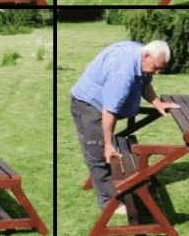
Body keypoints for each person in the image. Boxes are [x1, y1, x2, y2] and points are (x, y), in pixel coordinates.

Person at [70, 40, 181, 213]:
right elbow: (109, 111)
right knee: (99, 153)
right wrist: (108, 144)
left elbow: (145, 84)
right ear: (146, 55)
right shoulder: (123, 71)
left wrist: (157, 103)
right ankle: (107, 201)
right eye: (156, 67)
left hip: (102, 106)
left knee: (103, 145)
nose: (158, 72)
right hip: (89, 106)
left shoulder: (141, 57)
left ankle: (106, 187)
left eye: (161, 69)